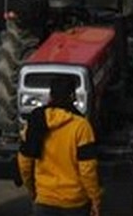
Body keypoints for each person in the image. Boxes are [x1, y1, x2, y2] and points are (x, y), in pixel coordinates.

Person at [18, 76, 101, 216]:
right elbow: (87, 170)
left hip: (44, 200)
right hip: (75, 203)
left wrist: (32, 190)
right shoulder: (81, 126)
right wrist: (95, 199)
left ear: (50, 96)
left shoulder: (36, 122)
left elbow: (24, 162)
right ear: (73, 97)